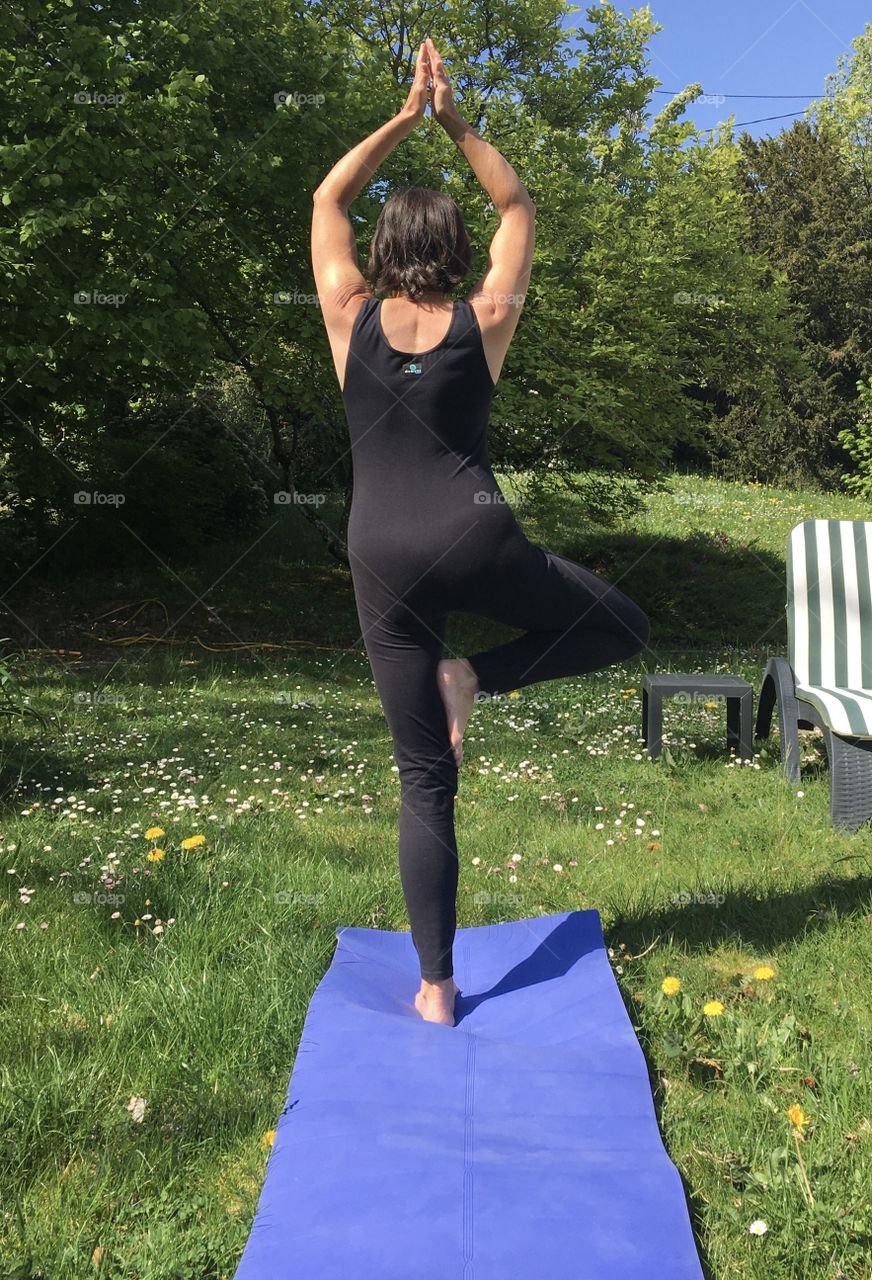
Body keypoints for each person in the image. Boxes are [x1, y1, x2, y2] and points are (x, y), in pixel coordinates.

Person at [311, 36, 650, 1026]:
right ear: (455, 253)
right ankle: (481, 675)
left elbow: (330, 198)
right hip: (475, 535)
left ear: (380, 254)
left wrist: (401, 118)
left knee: (425, 779)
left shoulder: (347, 314)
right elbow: (519, 206)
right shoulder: (484, 316)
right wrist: (454, 119)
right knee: (622, 625)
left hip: (381, 551)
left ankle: (434, 986)